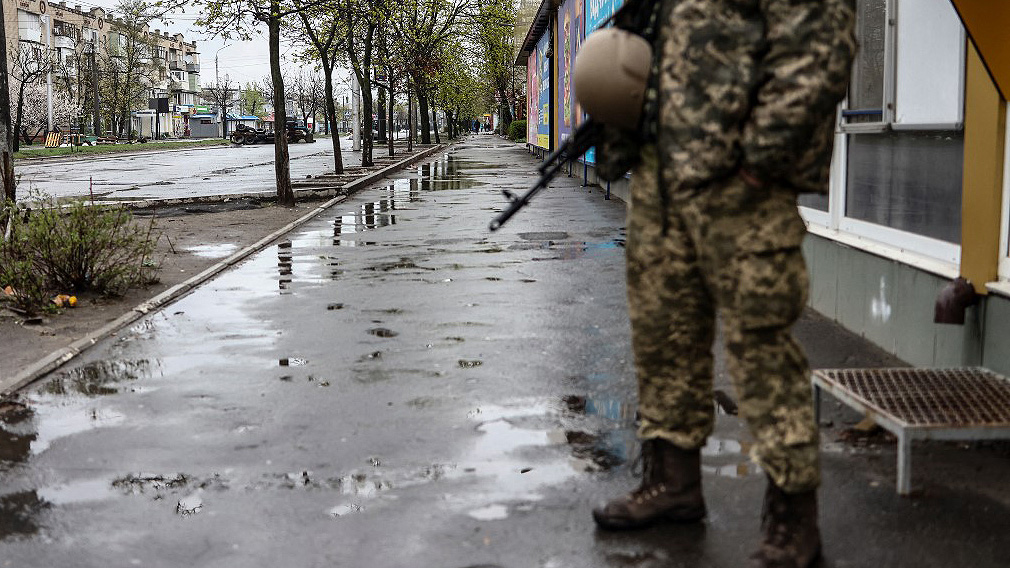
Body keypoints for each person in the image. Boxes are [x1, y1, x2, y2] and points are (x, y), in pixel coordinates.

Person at [591, 1, 857, 567]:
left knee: (760, 347)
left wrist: (759, 163)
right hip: (660, 180)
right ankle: (673, 483)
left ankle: (793, 517)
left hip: (741, 184)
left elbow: (816, 47)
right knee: (662, 339)